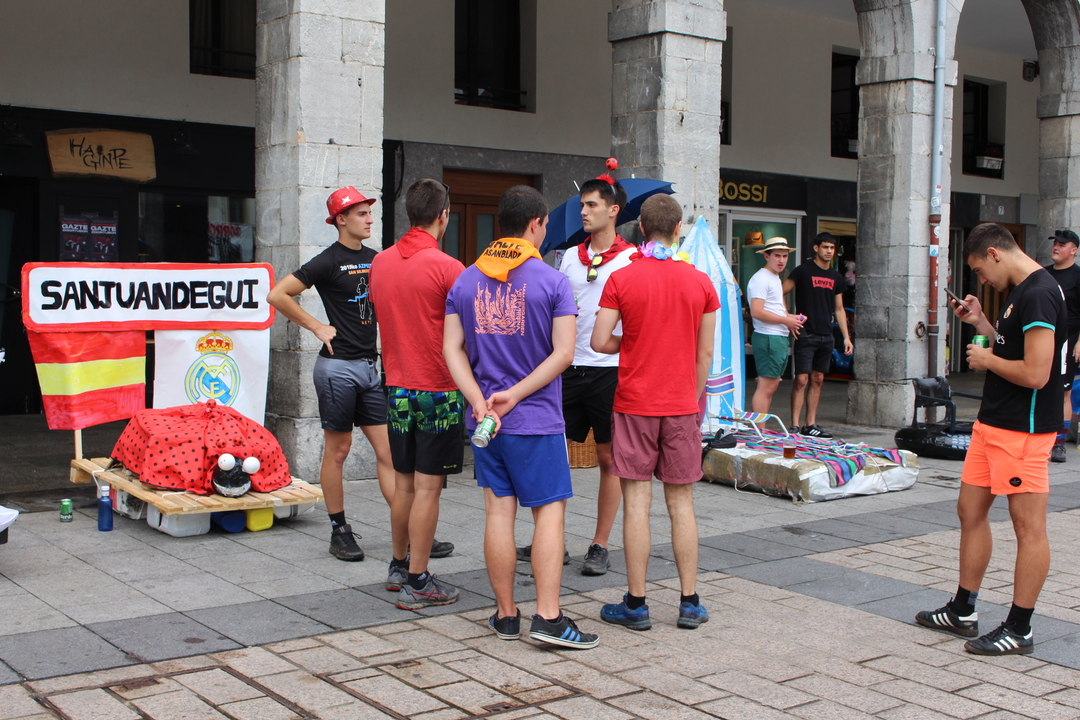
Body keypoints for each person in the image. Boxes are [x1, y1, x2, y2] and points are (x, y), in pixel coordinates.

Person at [444, 185, 599, 649]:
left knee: (498, 511)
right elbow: (564, 353)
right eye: (546, 224)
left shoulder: (465, 280)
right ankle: (548, 617)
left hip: (486, 423)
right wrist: (513, 395)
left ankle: (506, 614)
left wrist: (478, 399)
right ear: (535, 224)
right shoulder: (552, 281)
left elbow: (451, 348)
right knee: (548, 513)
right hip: (535, 418)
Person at [916, 222, 1065, 656]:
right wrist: (981, 321)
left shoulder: (1039, 293)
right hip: (993, 423)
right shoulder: (1020, 291)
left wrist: (984, 359)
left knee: (1028, 528)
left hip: (1023, 429)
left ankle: (1020, 628)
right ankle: (963, 609)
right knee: (970, 511)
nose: (981, 279)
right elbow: (1010, 346)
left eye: (980, 270)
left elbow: (1037, 373)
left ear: (995, 254)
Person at [592, 194, 719, 631]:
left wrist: (632, 342)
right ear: (678, 228)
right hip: (681, 405)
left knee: (636, 503)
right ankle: (689, 602)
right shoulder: (701, 282)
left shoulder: (621, 277)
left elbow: (599, 341)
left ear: (641, 229)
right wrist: (692, 400)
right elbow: (704, 353)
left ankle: (637, 603)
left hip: (635, 404)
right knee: (681, 502)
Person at [267, 187, 394, 562]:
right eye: (361, 213)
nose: (370, 219)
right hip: (337, 370)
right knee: (338, 451)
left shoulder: (377, 259)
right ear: (341, 219)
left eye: (370, 213)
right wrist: (317, 327)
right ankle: (340, 531)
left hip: (369, 369)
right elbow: (278, 295)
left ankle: (410, 527)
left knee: (389, 453)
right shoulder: (327, 261)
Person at [370, 179, 465, 609]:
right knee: (428, 489)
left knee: (405, 484)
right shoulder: (449, 267)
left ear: (409, 213)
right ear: (443, 216)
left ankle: (398, 565)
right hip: (438, 389)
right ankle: (419, 580)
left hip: (396, 387)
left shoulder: (380, 262)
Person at [547, 174, 635, 576]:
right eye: (582, 205)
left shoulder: (632, 258)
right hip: (566, 366)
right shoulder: (568, 256)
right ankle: (552, 537)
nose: (583, 211)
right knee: (552, 452)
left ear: (613, 210)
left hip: (610, 371)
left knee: (608, 457)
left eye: (592, 205)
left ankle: (600, 543)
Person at [782, 232, 853, 438]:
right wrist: (788, 317)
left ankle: (810, 424)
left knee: (818, 379)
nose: (829, 251)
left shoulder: (836, 277)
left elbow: (839, 309)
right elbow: (780, 292)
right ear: (816, 248)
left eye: (832, 248)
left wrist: (846, 337)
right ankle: (795, 425)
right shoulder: (803, 271)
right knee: (801, 379)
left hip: (826, 334)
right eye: (825, 247)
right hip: (806, 332)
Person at [746, 237, 803, 414]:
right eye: (777, 255)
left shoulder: (775, 277)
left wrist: (791, 318)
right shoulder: (761, 278)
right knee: (766, 387)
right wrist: (786, 320)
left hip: (775, 336)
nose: (781, 260)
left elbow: (773, 307)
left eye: (785, 256)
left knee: (770, 387)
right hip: (768, 336)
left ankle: (760, 427)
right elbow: (756, 311)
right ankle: (759, 428)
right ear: (766, 256)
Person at [1043, 229, 1080, 463]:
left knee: (1064, 391)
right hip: (1044, 339)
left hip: (1069, 341)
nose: (1056, 247)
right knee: (1040, 387)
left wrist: (1079, 343)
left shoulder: (1077, 276)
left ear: (1074, 250)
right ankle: (1039, 437)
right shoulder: (1043, 274)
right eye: (1055, 243)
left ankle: (1059, 444)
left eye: (1062, 244)